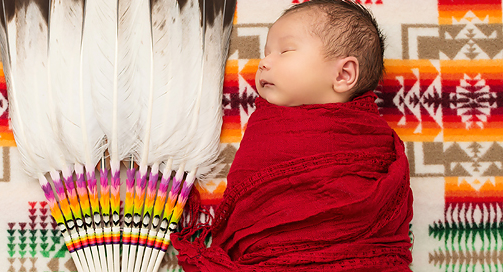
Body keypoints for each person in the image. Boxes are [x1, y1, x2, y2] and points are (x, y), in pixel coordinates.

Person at [171, 1, 413, 271]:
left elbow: (385, 206)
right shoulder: (267, 124)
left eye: (285, 51)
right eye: (266, 53)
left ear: (344, 74)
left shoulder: (368, 139)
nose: (263, 63)